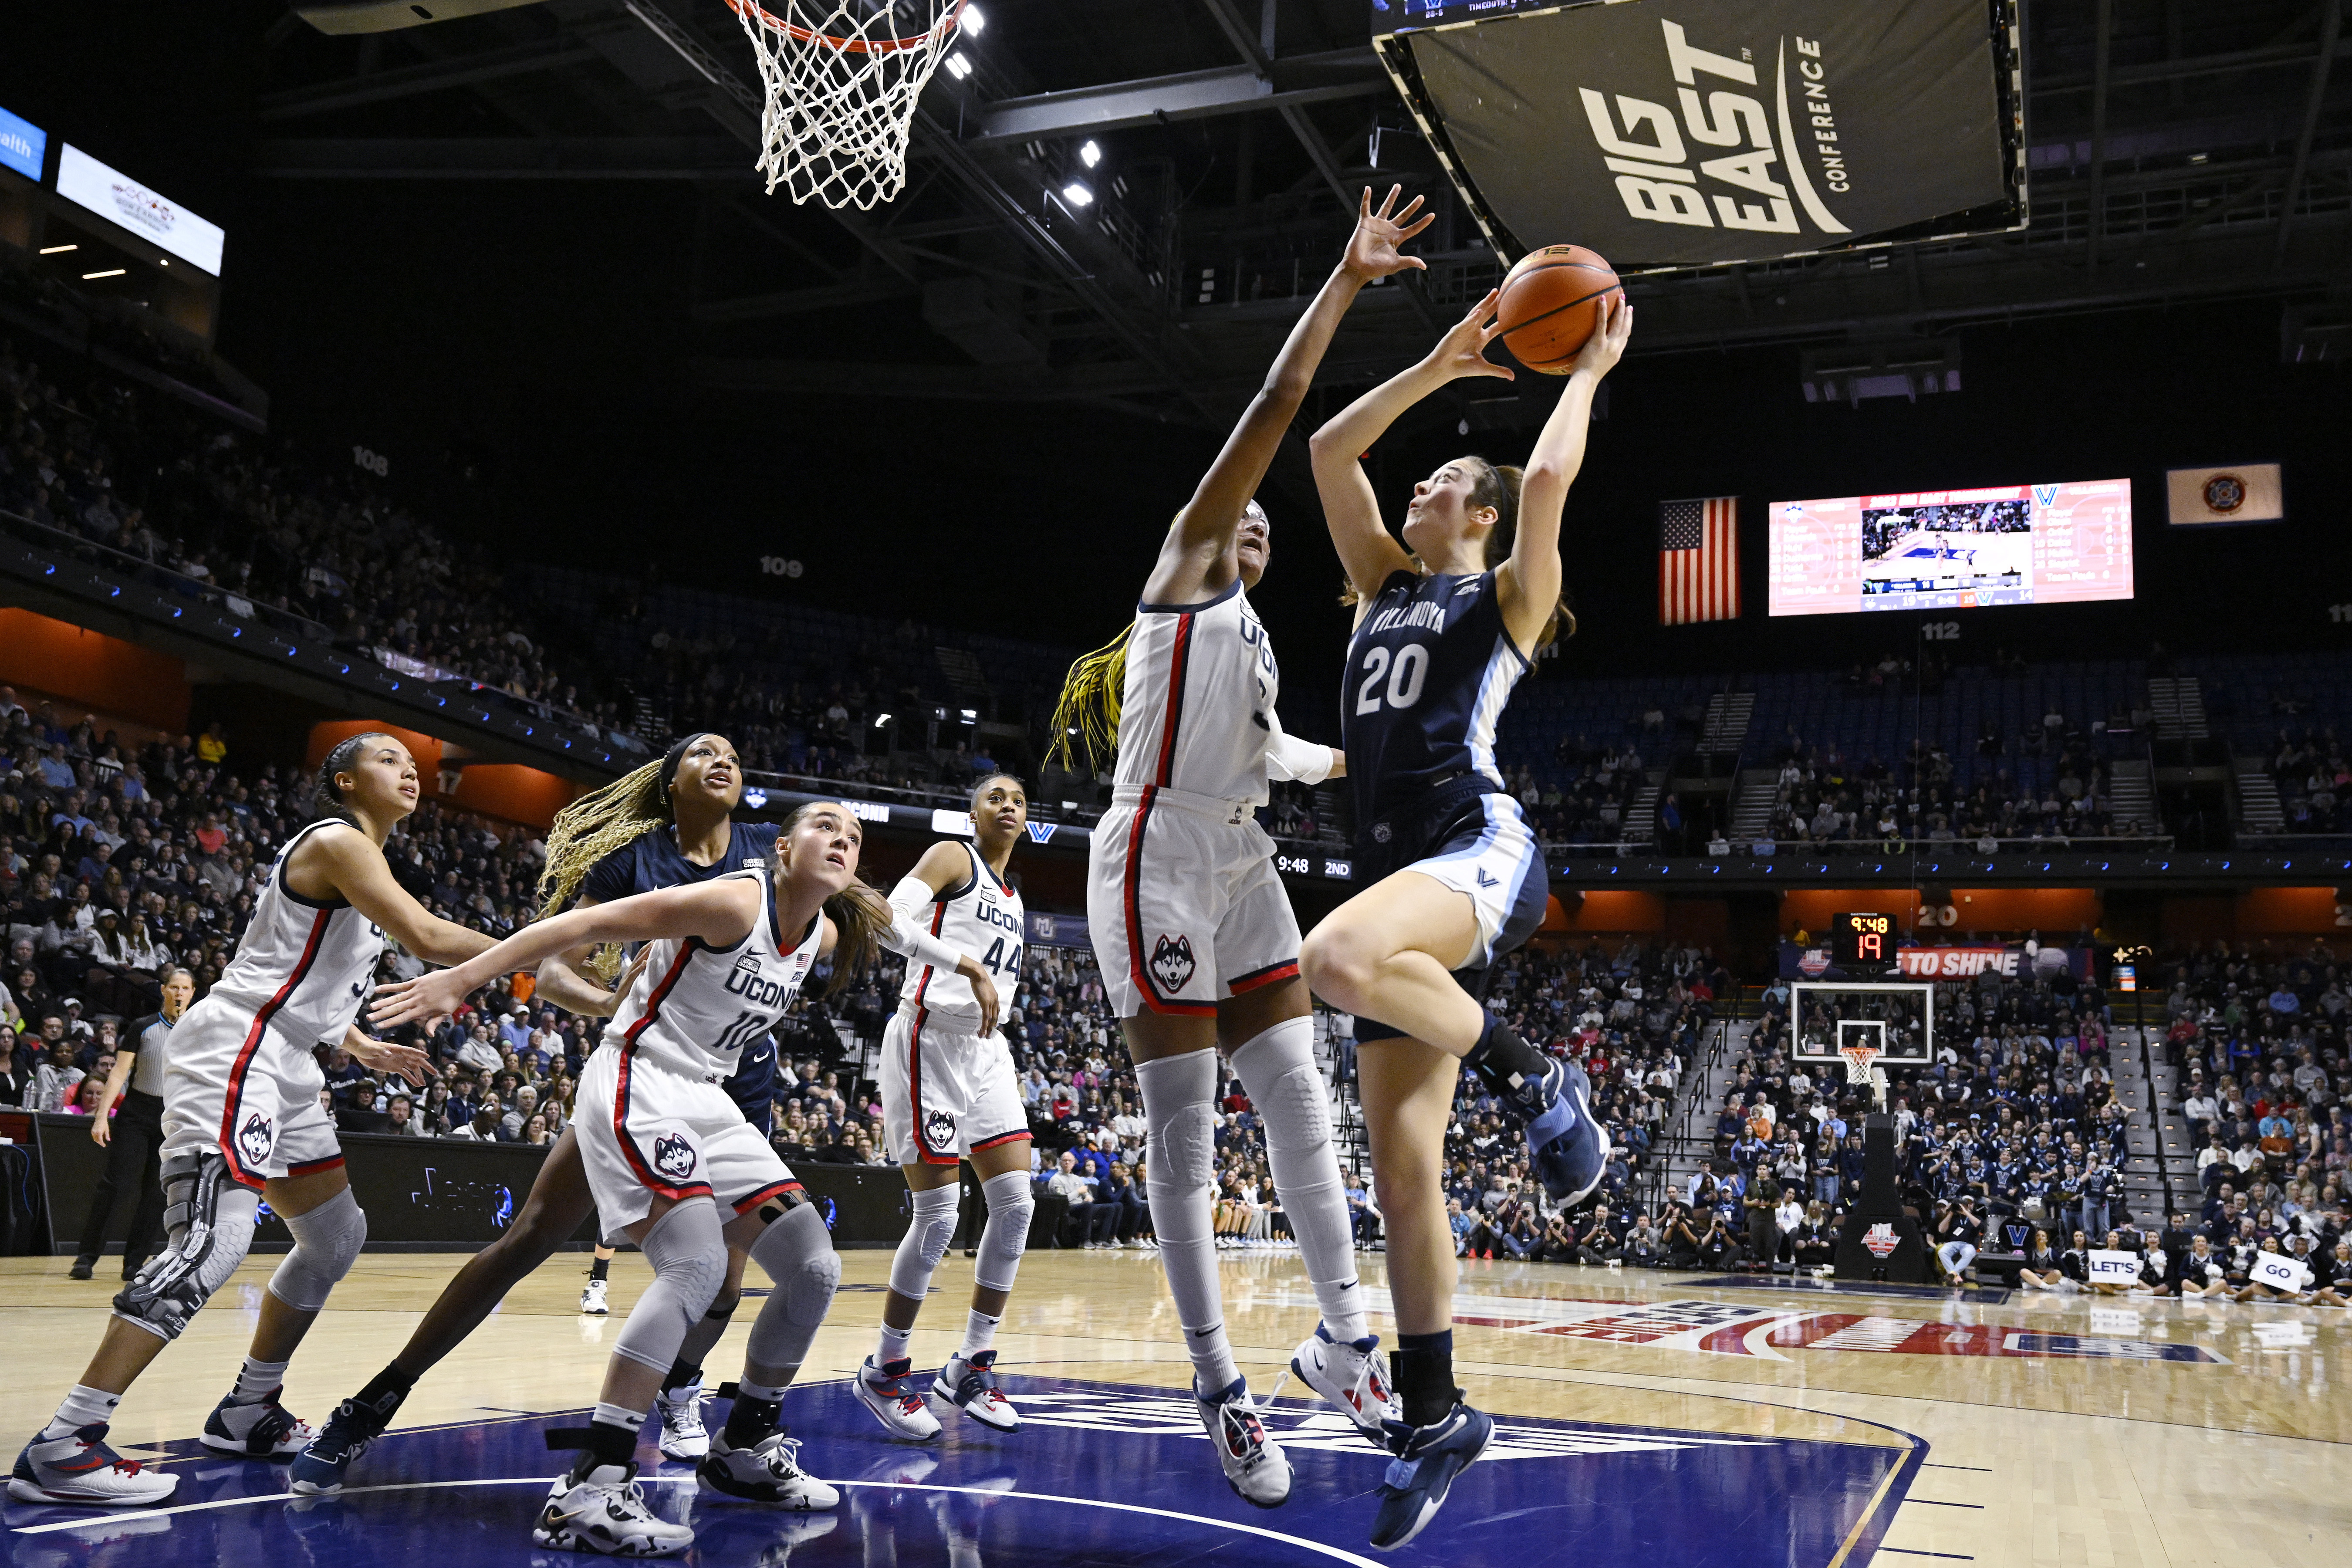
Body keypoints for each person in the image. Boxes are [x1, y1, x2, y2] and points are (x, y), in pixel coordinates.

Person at [1056, 187, 1435, 1509]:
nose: (1257, 528)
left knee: (1302, 1107)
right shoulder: (1182, 574)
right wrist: (1342, 286)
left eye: (1270, 529)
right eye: (1247, 518)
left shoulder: (1256, 642)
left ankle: (1344, 1345)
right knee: (1184, 1134)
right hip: (1153, 855)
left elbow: (1278, 758)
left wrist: (1379, 762)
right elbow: (1275, 412)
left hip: (1242, 855)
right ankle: (1218, 1386)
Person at [366, 800, 969, 1554]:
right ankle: (590, 1485)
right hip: (640, 1077)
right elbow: (580, 929)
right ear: (783, 849)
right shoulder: (733, 900)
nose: (842, 841)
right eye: (825, 828)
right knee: (695, 1264)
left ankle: (744, 1448)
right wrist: (463, 979)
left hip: (708, 1100)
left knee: (814, 1266)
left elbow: (897, 926)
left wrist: (966, 963)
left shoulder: (822, 934)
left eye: (853, 837)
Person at [1298, 284, 1630, 1547]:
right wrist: (1437, 369)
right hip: (1409, 890)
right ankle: (1435, 1414)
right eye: (1423, 478)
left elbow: (1545, 490)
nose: (1419, 488)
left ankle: (1540, 1080)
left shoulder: (1503, 600)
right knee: (1404, 1171)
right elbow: (1332, 452)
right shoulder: (1380, 582)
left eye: (1440, 479)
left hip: (1477, 854)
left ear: (1475, 515)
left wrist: (1586, 374)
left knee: (1332, 954)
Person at [293, 734, 798, 1489]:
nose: (723, 760)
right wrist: (601, 998)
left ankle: (680, 1392)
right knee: (532, 1239)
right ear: (670, 780)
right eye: (702, 753)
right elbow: (558, 966)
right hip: (649, 1075)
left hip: (737, 1079)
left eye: (733, 753)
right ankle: (374, 1402)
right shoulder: (632, 861)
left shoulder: (770, 847)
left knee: (727, 1280)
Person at [9, 733, 481, 1507]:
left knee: (335, 1236)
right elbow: (430, 938)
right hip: (241, 1051)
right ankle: (67, 1441)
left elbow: (292, 971)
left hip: (289, 1061)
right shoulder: (336, 840)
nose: (409, 770)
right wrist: (548, 951)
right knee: (214, 1240)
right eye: (389, 758)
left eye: (411, 761)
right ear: (344, 779)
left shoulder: (366, 863)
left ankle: (247, 1410)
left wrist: (356, 1042)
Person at [854, 772, 1031, 1440]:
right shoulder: (956, 856)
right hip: (928, 1037)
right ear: (971, 810)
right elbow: (890, 919)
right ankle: (885, 1368)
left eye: (1017, 800)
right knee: (939, 1218)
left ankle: (970, 1367)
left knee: (1016, 1206)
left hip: (986, 1050)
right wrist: (967, 966)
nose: (1007, 806)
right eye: (994, 797)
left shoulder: (1014, 897)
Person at [69, 968, 195, 1282]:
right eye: (174, 988)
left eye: (185, 988)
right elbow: (119, 1073)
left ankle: (134, 1263)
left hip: (173, 1117)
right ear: (164, 990)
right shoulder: (143, 1026)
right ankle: (86, 1258)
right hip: (137, 1112)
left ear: (193, 993)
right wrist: (102, 1116)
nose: (179, 994)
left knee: (156, 1192)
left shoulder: (197, 1032)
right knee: (116, 1185)